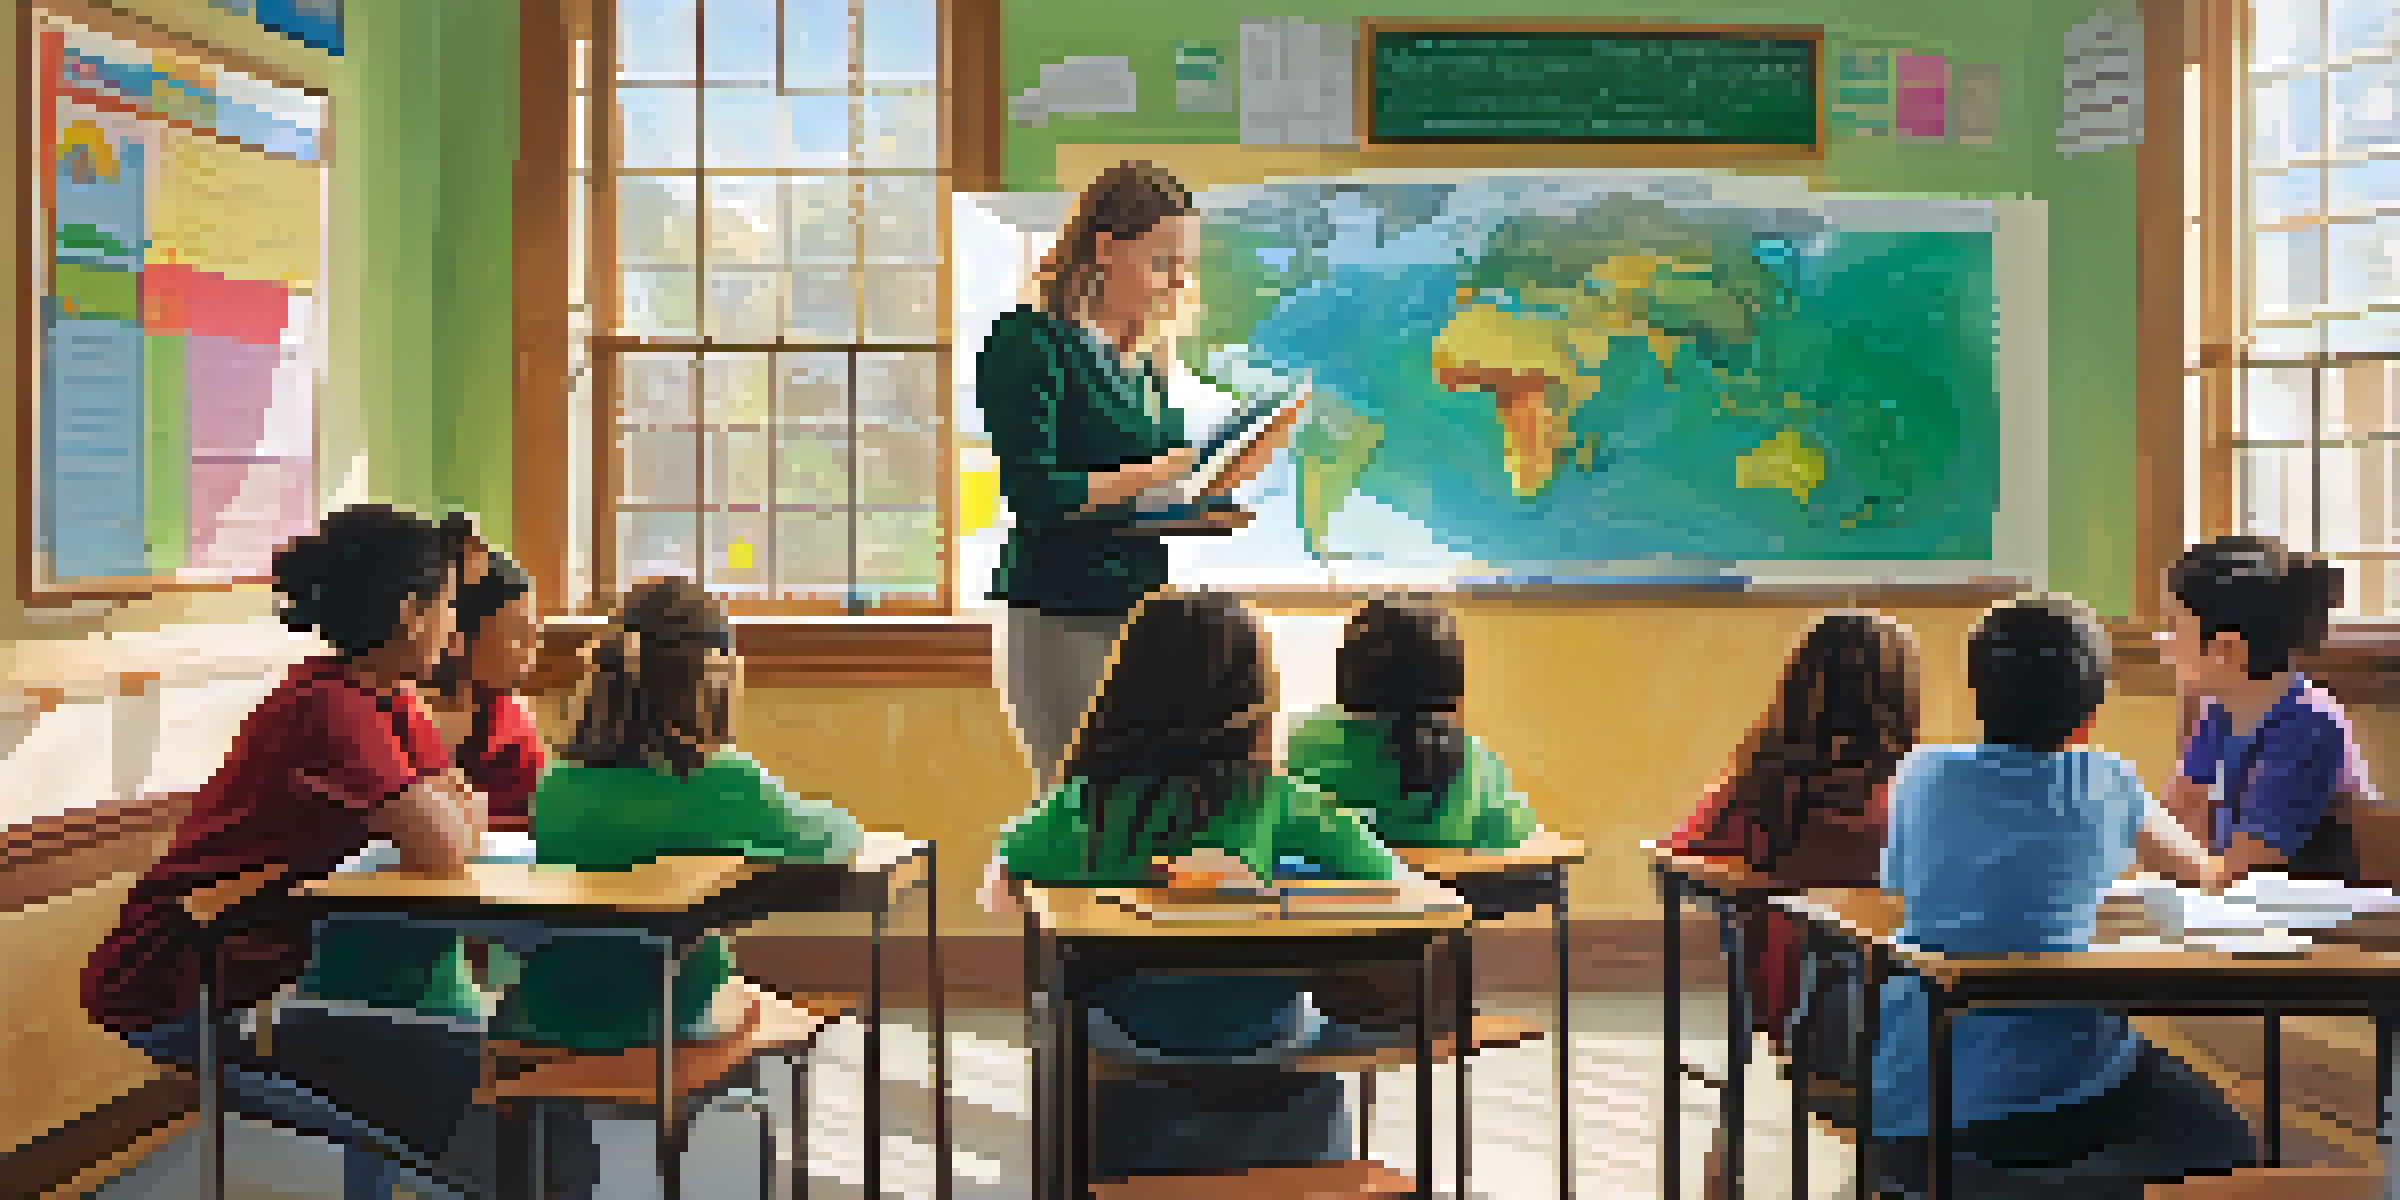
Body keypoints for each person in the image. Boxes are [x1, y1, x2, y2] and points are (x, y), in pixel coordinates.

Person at [79, 504, 492, 1198]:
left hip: (263, 969)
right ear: (408, 613)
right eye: (448, 604)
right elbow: (448, 838)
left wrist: (454, 809)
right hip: (178, 976)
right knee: (454, 1064)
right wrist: (454, 809)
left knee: (435, 1056)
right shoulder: (332, 713)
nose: (456, 626)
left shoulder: (385, 699)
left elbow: (455, 809)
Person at [979, 589, 1412, 1180]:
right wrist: (1280, 883)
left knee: (1060, 1006)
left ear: (1125, 691)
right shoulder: (1282, 799)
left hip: (1129, 1040)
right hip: (1268, 1036)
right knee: (1319, 1021)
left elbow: (999, 891)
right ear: (1255, 698)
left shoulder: (1086, 805)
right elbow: (1386, 880)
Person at [1867, 596, 2255, 1198]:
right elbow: (2200, 874)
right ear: (2088, 716)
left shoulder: (1921, 774)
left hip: (1914, 1092)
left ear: (1977, 693)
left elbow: (1901, 887)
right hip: (2071, 1086)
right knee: (2225, 1141)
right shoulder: (2109, 780)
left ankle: (1970, 1182)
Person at [491, 578, 865, 1198]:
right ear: (714, 679)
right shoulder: (726, 783)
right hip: (678, 1018)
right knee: (766, 1011)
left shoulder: (556, 787)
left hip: (546, 1015)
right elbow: (837, 836)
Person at [977, 160, 1294, 786]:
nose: (1177, 282)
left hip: (1144, 617)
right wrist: (1152, 473)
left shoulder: (1143, 367)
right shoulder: (1028, 343)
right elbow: (1036, 494)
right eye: (1160, 261)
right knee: (1075, 807)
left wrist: (1202, 510)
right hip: (1061, 611)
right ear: (1103, 249)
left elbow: (1152, 496)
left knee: (1147, 803)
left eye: (1185, 265)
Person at [2150, 535, 2378, 890]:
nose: (2159, 638)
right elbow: (2175, 819)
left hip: (2312, 921)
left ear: (2226, 649)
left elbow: (2246, 866)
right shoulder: (2219, 712)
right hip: (2244, 904)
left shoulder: (2307, 725)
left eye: (2173, 625)